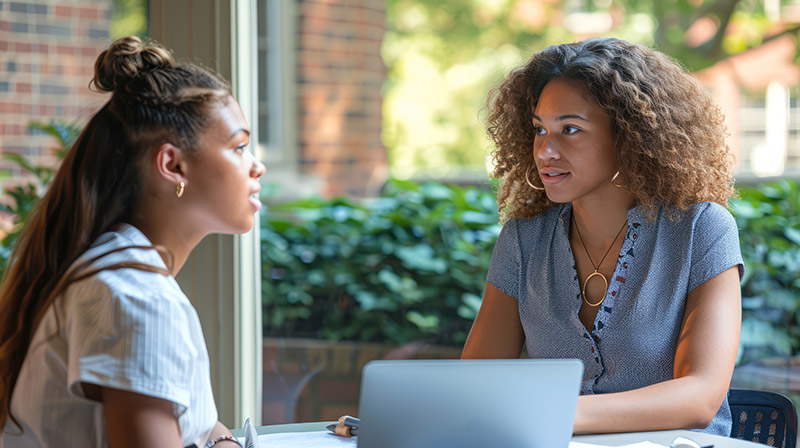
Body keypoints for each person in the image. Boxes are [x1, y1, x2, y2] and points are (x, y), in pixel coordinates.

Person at [461, 37, 743, 436]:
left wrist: (555, 414)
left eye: (569, 129)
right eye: (539, 130)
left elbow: (699, 397)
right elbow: (474, 384)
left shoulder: (702, 230)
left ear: (630, 136)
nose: (544, 151)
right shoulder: (524, 241)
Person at [0, 36, 265, 448]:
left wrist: (222, 440)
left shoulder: (116, 272)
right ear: (173, 165)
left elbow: (196, 423)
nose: (257, 166)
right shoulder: (138, 302)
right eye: (240, 146)